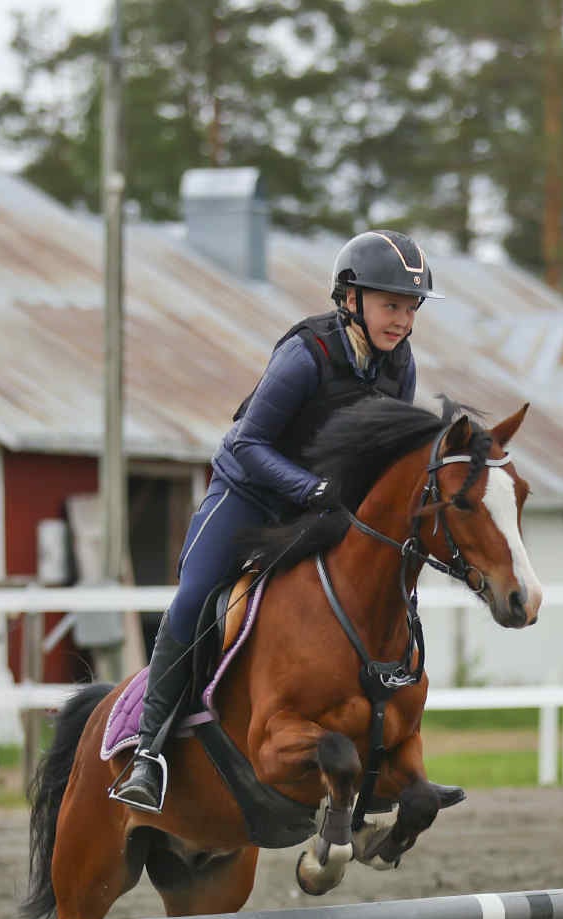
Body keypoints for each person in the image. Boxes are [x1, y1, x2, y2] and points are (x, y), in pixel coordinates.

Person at [109, 229, 442, 811]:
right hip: (250, 494)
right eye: (392, 305)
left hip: (322, 506)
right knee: (192, 600)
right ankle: (149, 755)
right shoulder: (306, 354)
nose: (403, 320)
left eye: (411, 308)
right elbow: (246, 445)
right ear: (350, 298)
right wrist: (308, 487)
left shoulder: (399, 364)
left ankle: (393, 755)